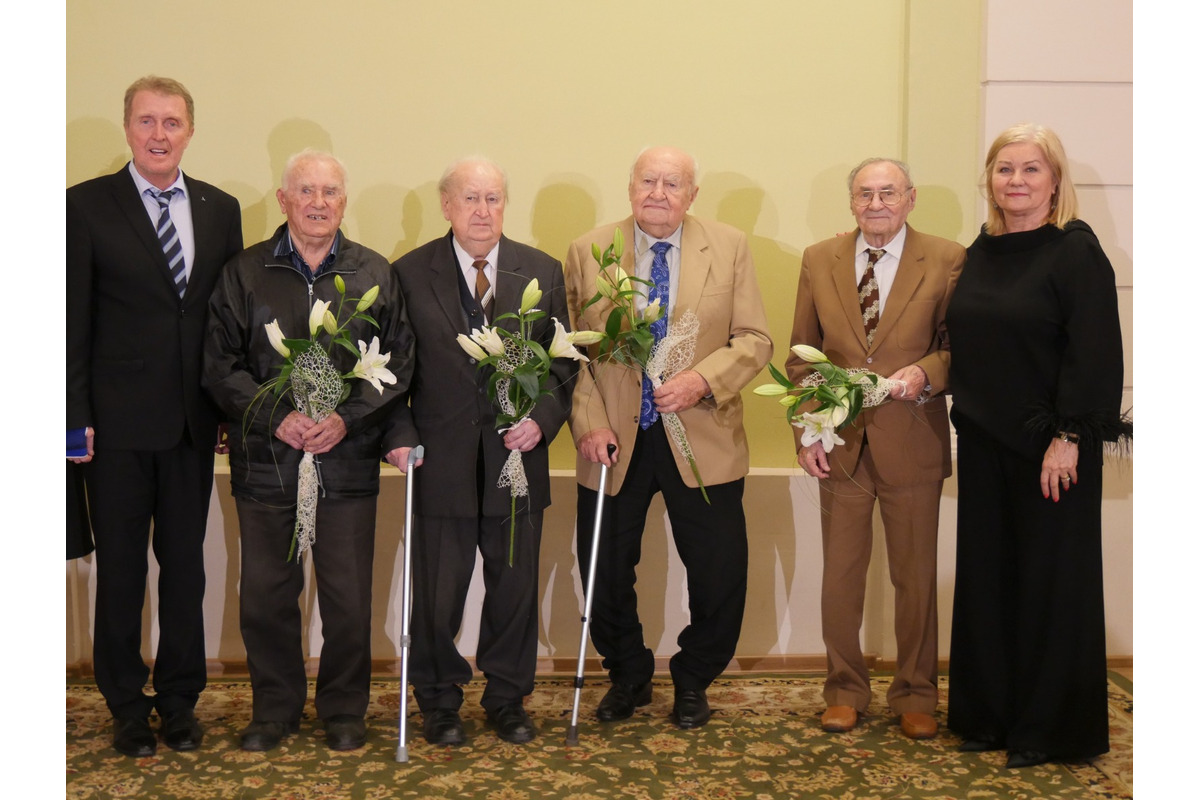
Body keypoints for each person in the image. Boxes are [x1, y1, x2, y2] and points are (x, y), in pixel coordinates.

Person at [203, 150, 414, 752]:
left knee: (348, 596)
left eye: (330, 192)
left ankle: (344, 709)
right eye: (306, 191)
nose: (319, 203)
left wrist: (344, 421)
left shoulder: (374, 273)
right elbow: (220, 366)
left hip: (345, 462)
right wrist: (280, 418)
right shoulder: (243, 273)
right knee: (267, 594)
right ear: (283, 199)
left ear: (344, 202)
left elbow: (398, 366)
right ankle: (274, 709)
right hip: (267, 460)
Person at [564, 146, 772, 729]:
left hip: (700, 434)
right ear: (630, 186)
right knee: (602, 569)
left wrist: (702, 380)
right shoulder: (589, 250)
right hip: (614, 439)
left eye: (672, 183)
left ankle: (693, 676)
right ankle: (627, 673)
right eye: (648, 181)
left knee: (719, 572)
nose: (659, 192)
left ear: (692, 195)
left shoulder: (728, 246)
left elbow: (754, 338)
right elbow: (570, 350)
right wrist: (589, 421)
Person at [66, 76, 243, 757]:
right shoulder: (84, 207)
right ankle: (126, 707)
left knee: (186, 571)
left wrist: (229, 409)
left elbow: (227, 323)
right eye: (147, 121)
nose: (159, 133)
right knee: (122, 574)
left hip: (193, 427)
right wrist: (72, 417)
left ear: (190, 131)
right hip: (110, 432)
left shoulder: (220, 209)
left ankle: (179, 701)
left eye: (172, 122)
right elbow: (71, 322)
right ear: (128, 129)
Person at [945, 123, 1129, 768]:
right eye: (1004, 169)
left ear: (1055, 180)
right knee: (989, 581)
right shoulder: (983, 248)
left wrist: (1070, 436)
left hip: (1053, 449)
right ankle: (988, 716)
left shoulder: (1076, 251)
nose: (1015, 181)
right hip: (985, 441)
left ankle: (1048, 729)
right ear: (989, 179)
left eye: (1030, 169)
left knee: (1051, 588)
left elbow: (1096, 353)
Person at [383, 157, 575, 746]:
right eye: (470, 199)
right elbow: (387, 371)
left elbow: (564, 362)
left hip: (516, 463)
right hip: (437, 464)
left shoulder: (539, 269)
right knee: (438, 593)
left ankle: (507, 697)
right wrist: (399, 438)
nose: (482, 211)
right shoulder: (410, 273)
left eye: (492, 199)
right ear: (446, 205)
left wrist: (541, 422)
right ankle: (438, 700)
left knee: (514, 590)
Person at [786, 158, 964, 739]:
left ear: (911, 198)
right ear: (852, 202)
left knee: (915, 579)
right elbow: (801, 358)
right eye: (865, 193)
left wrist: (926, 374)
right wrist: (807, 430)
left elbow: (958, 348)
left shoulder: (946, 258)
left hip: (912, 440)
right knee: (840, 578)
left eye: (889, 192)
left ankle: (916, 694)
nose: (877, 203)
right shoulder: (819, 259)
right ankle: (843, 690)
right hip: (840, 445)